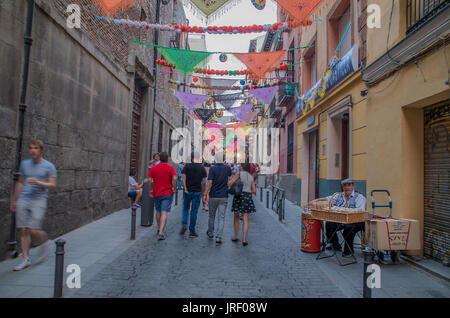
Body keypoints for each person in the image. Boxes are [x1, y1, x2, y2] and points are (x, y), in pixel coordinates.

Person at [10, 140, 57, 271]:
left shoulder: (49, 166)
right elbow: (20, 182)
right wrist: (15, 200)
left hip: (39, 200)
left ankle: (45, 242)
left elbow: (52, 185)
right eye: (30, 148)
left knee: (33, 229)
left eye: (35, 148)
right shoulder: (24, 164)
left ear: (41, 150)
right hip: (24, 199)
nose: (32, 150)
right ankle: (26, 259)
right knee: (23, 229)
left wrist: (38, 183)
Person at [324, 178, 367, 257]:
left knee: (348, 228)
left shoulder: (359, 197)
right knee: (329, 224)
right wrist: (316, 201)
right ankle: (335, 244)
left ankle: (349, 250)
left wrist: (347, 213)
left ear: (353, 186)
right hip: (342, 219)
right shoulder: (339, 195)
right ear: (342, 187)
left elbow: (360, 211)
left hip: (357, 221)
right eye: (345, 186)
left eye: (349, 185)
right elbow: (328, 199)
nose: (347, 187)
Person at [204, 151, 232, 245]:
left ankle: (211, 233)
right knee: (221, 217)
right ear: (223, 159)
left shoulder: (212, 168)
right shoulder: (227, 168)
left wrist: (205, 193)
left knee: (212, 216)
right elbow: (229, 176)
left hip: (213, 195)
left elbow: (210, 182)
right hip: (224, 195)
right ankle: (219, 237)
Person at [148, 152, 177, 240]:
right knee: (164, 212)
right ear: (167, 159)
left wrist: (150, 190)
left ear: (159, 158)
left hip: (157, 192)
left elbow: (149, 180)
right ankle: (161, 232)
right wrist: (174, 188)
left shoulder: (154, 167)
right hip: (167, 193)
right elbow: (175, 178)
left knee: (158, 211)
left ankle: (158, 228)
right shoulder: (170, 168)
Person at [228, 163, 256, 246]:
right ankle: (244, 239)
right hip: (248, 196)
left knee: (236, 216)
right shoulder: (251, 176)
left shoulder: (239, 174)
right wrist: (248, 191)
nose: (239, 167)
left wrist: (231, 182)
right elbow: (254, 191)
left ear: (243, 167)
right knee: (245, 218)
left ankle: (236, 236)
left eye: (240, 166)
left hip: (239, 196)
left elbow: (230, 183)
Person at [180, 152, 206, 237]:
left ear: (191, 158)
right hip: (197, 191)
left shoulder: (186, 166)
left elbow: (183, 178)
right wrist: (203, 194)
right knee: (194, 211)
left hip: (188, 191)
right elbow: (203, 182)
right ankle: (192, 231)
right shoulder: (202, 168)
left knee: (185, 208)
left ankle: (184, 224)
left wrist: (185, 188)